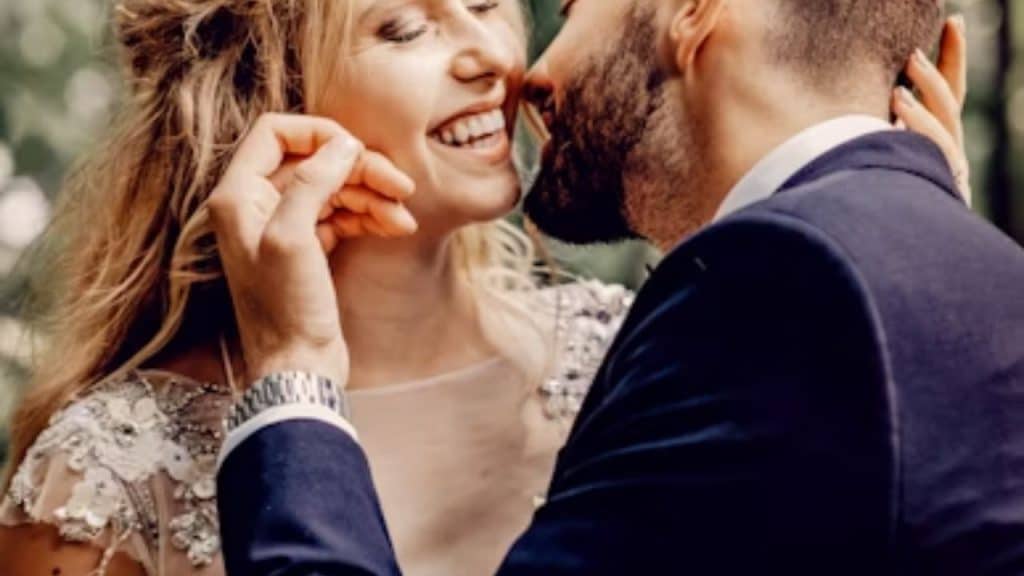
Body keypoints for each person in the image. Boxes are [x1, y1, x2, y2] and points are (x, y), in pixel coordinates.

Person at [0, 1, 970, 576]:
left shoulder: (636, 353)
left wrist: (910, 229)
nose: (493, 57)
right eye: (405, 25)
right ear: (269, 97)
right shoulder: (110, 469)